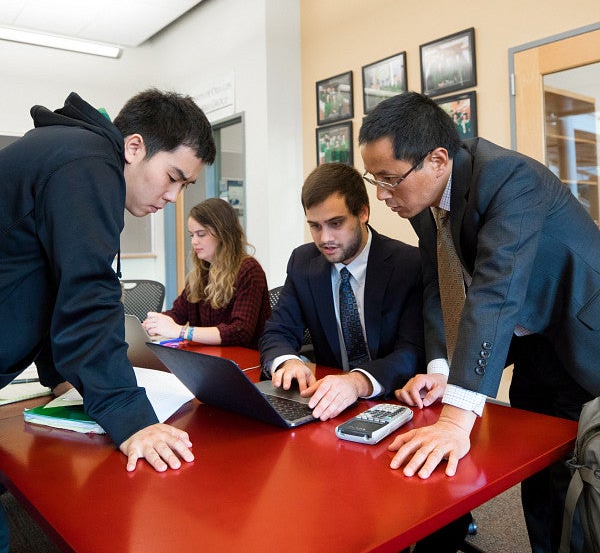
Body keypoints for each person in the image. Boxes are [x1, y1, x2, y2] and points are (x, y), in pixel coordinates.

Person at [359, 91, 600, 553]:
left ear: (437, 159)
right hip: (533, 342)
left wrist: (455, 417)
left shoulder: (511, 177)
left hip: (584, 331)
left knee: (582, 477)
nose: (382, 195)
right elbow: (438, 285)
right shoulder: (425, 198)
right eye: (375, 179)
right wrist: (441, 371)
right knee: (540, 471)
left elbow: (495, 291)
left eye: (389, 179)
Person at [0, 89, 216, 552]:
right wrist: (131, 416)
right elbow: (88, 294)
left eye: (186, 186)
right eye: (173, 177)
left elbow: (52, 281)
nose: (174, 197)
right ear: (133, 147)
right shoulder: (88, 164)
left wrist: (60, 376)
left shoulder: (73, 156)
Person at [259, 162, 471, 553]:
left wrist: (357, 381)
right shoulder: (303, 263)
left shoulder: (409, 263)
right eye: (315, 225)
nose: (324, 238)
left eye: (335, 223)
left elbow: (413, 350)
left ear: (363, 212)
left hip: (402, 404)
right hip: (332, 414)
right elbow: (277, 332)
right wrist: (287, 360)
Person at [143, 198, 270, 349]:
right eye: (192, 235)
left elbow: (239, 331)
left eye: (201, 234)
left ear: (223, 235)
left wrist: (181, 331)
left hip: (244, 361)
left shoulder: (249, 270)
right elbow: (177, 314)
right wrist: (154, 323)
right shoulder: (202, 272)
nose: (194, 242)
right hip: (210, 358)